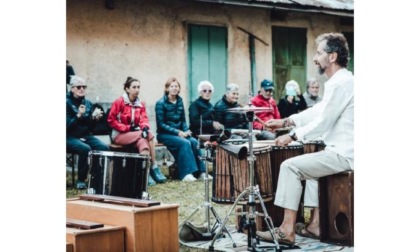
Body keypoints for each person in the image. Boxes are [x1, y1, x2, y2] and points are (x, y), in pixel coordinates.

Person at [258, 32, 354, 244]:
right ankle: (316, 226)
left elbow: (323, 122)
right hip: (341, 151)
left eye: (319, 52)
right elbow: (319, 110)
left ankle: (286, 230)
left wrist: (291, 136)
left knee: (289, 167)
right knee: (311, 173)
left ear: (332, 57)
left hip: (345, 154)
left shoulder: (341, 83)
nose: (314, 58)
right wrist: (286, 122)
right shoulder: (341, 81)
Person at [107, 77, 167, 186]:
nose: (137, 89)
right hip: (119, 135)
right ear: (127, 89)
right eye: (134, 87)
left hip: (136, 135)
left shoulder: (141, 104)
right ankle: (154, 167)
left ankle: (146, 173)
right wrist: (128, 128)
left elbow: (144, 119)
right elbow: (111, 120)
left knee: (144, 142)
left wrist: (144, 127)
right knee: (148, 135)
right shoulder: (119, 102)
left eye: (138, 87)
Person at [155, 77, 207, 182]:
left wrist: (186, 130)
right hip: (165, 134)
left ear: (179, 89)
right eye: (172, 86)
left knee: (193, 141)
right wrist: (177, 132)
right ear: (167, 88)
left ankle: (201, 172)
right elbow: (161, 124)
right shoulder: (160, 103)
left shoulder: (179, 101)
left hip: (179, 132)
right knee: (184, 143)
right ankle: (186, 174)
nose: (174, 88)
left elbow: (183, 120)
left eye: (176, 86)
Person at [66, 75, 109, 189]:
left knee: (104, 147)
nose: (82, 89)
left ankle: (96, 177)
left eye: (84, 86)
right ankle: (81, 180)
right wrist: (78, 116)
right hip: (69, 136)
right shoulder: (66, 102)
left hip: (85, 135)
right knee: (85, 149)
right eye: (78, 87)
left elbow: (90, 127)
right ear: (72, 88)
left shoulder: (88, 103)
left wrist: (95, 119)